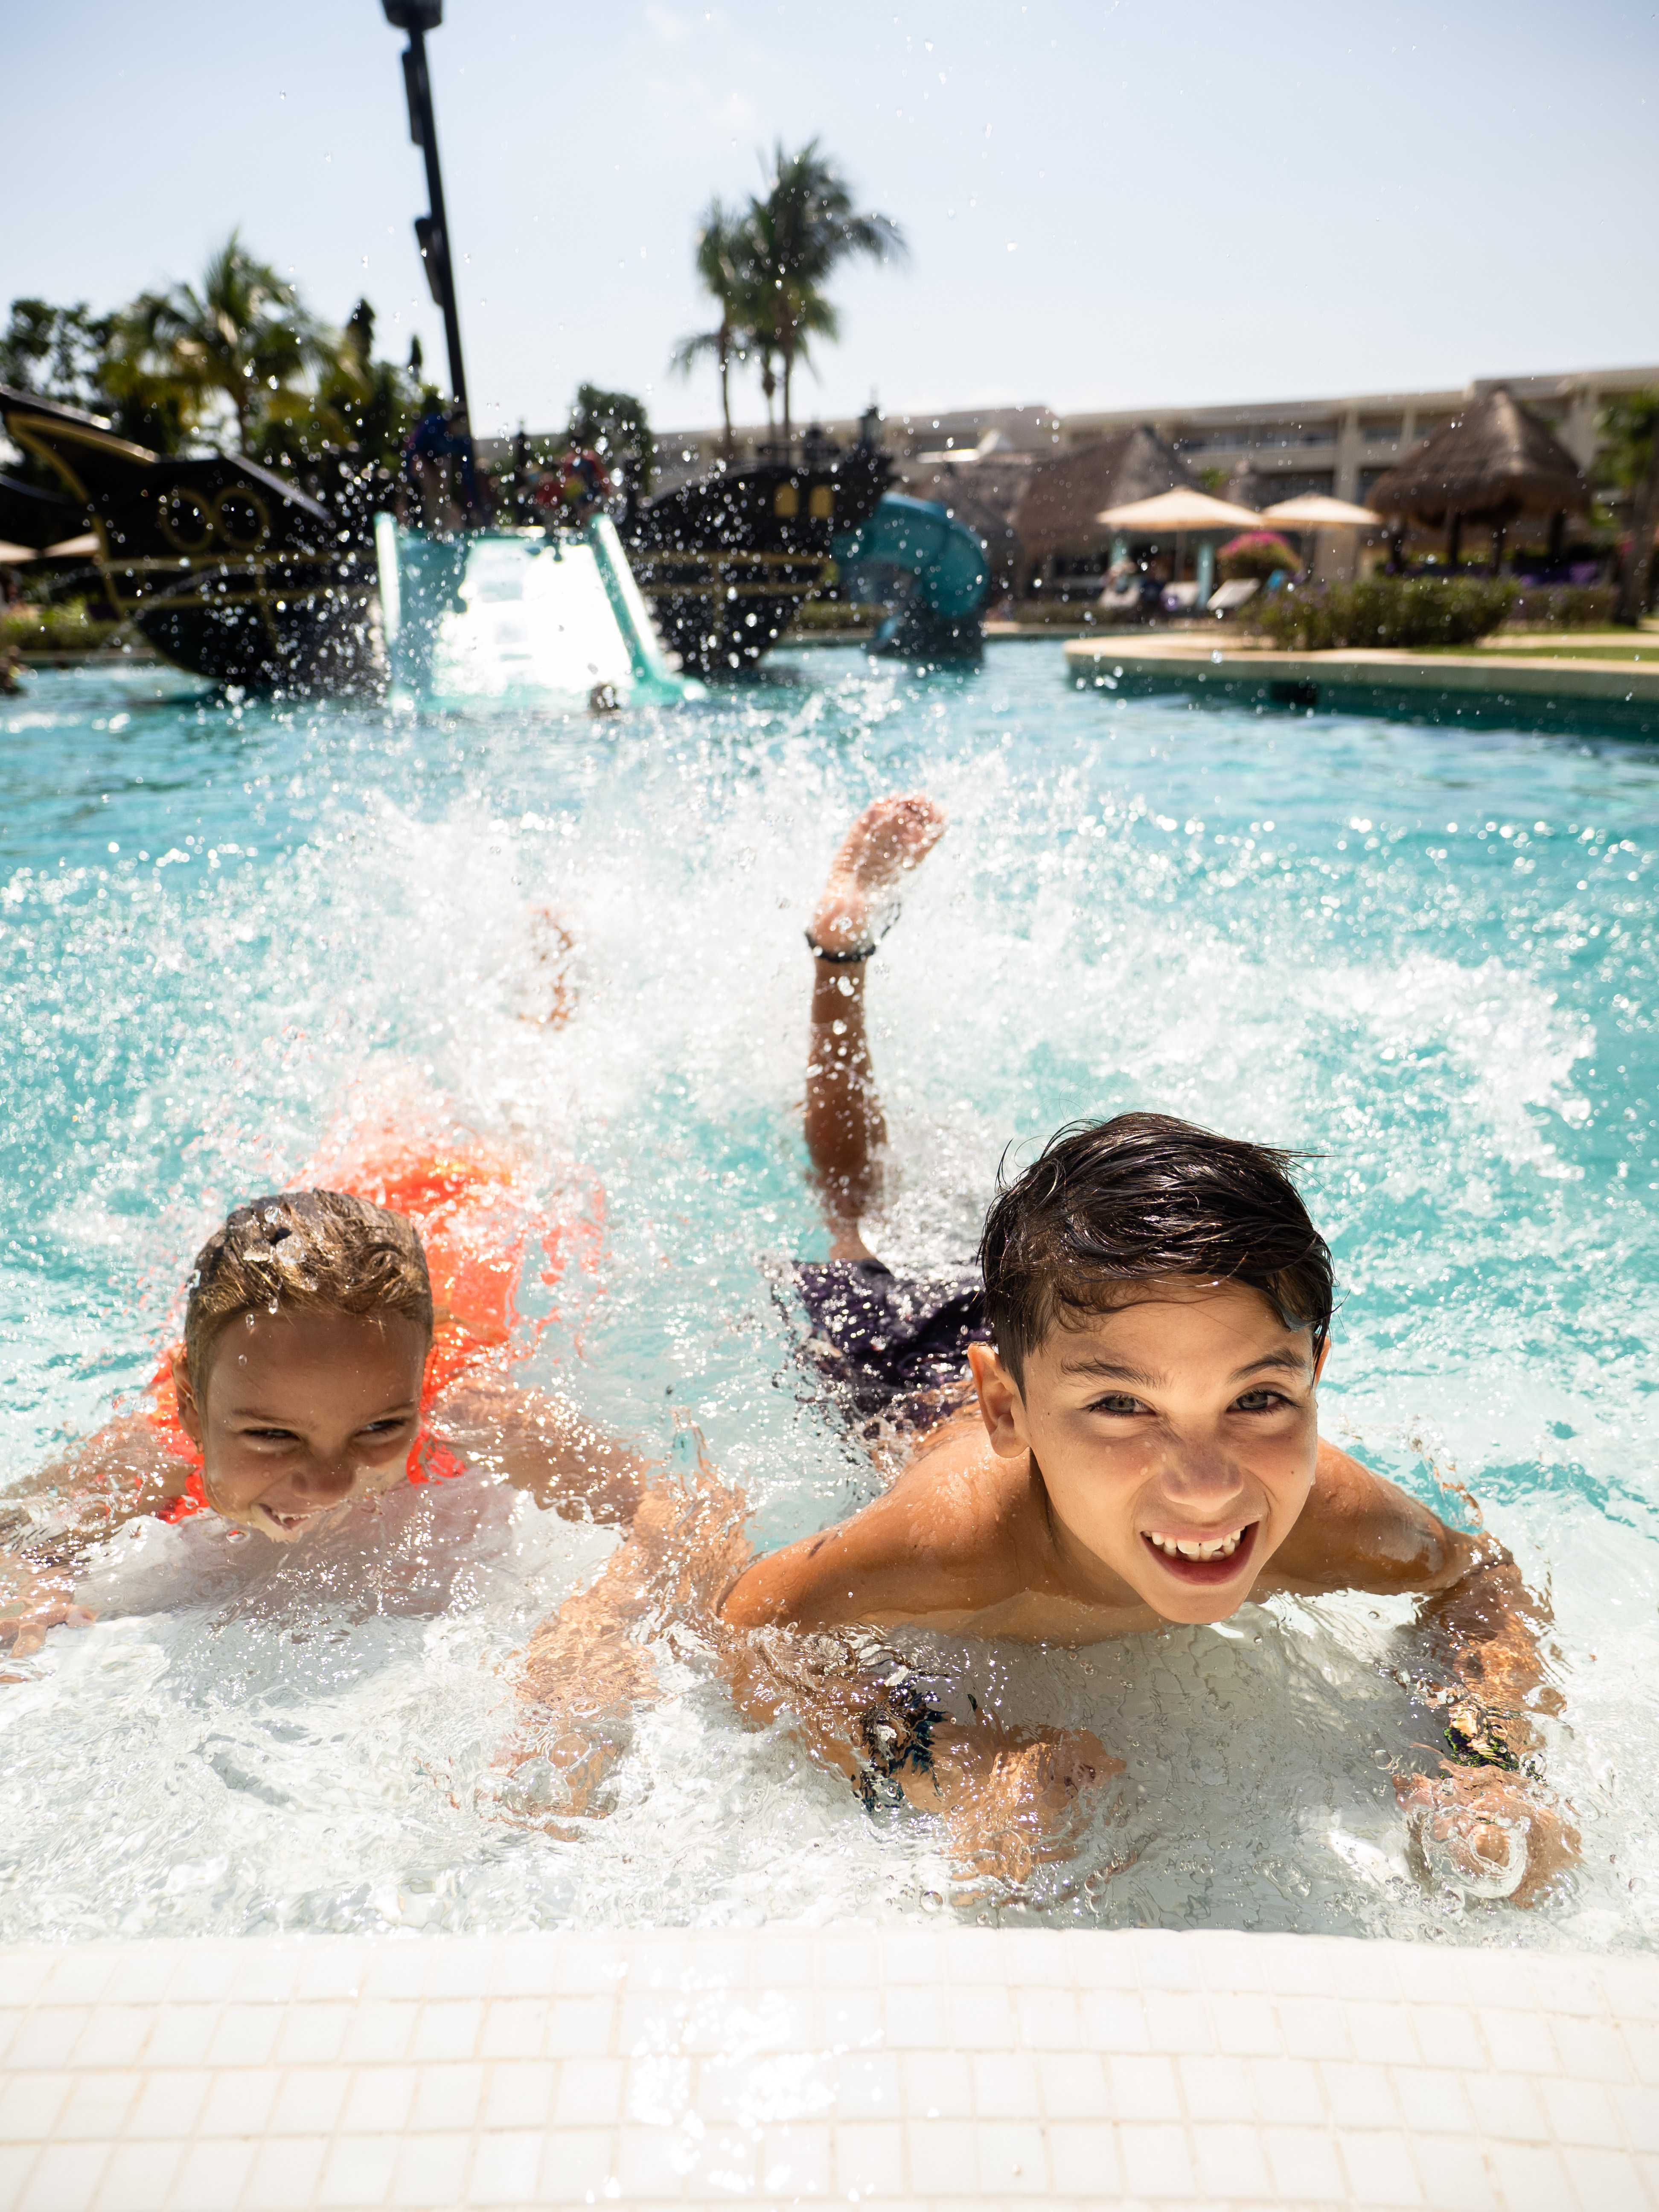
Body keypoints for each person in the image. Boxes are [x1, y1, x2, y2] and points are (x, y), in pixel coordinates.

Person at [511, 796, 1578, 1903]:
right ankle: (840, 948)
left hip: (1074, 1329)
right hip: (908, 1355)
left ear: (1313, 1373)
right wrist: (939, 1764)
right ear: (1009, 1412)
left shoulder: (1326, 1516)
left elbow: (1477, 1582)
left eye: (1257, 1400)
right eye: (1128, 1413)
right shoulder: (961, 1538)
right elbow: (754, 1618)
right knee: (856, 1204)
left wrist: (1480, 1763)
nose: (1207, 1483)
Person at [0, 1135, 647, 1664]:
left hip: (475, 1194)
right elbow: (21, 1537)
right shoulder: (161, 1446)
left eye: (381, 1427)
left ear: (419, 1388)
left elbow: (677, 1507)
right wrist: (32, 1589)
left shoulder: (463, 1408)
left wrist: (603, 1622)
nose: (332, 1483)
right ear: (192, 1408)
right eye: (273, 1436)